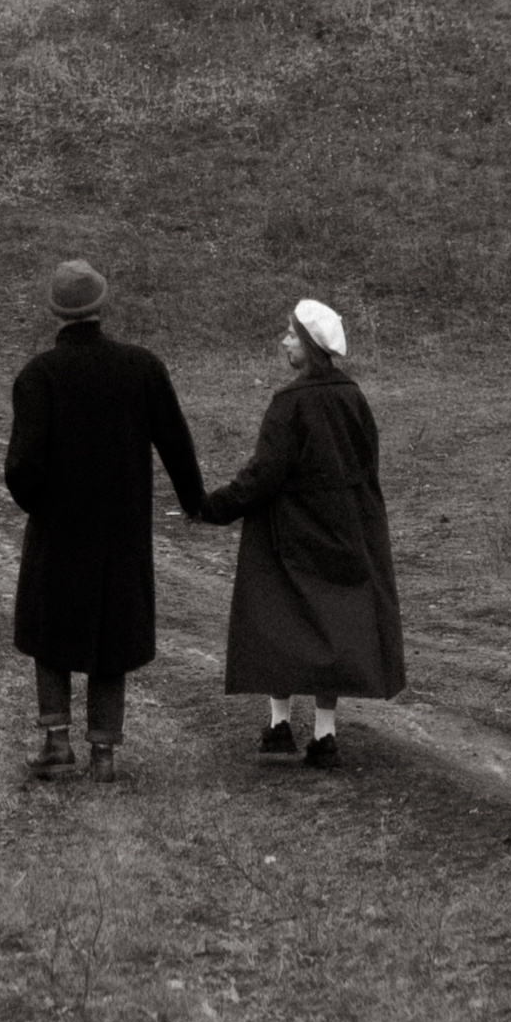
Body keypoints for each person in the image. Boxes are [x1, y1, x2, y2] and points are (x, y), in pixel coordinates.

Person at [5, 258, 206, 781]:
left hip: (58, 529)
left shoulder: (38, 376)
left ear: (56, 312)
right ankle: (104, 754)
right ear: (101, 305)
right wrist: (195, 501)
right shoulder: (141, 367)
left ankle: (55, 742)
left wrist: (38, 505)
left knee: (51, 629)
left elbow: (23, 467)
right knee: (110, 634)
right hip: (121, 531)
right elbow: (176, 443)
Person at [201, 298, 404, 770]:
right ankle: (325, 735)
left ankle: (278, 725)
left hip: (289, 535)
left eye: (291, 334)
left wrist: (216, 506)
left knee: (279, 619)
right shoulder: (354, 397)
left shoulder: (290, 403)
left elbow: (264, 474)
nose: (284, 340)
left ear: (310, 344)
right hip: (347, 531)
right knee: (335, 626)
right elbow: (366, 466)